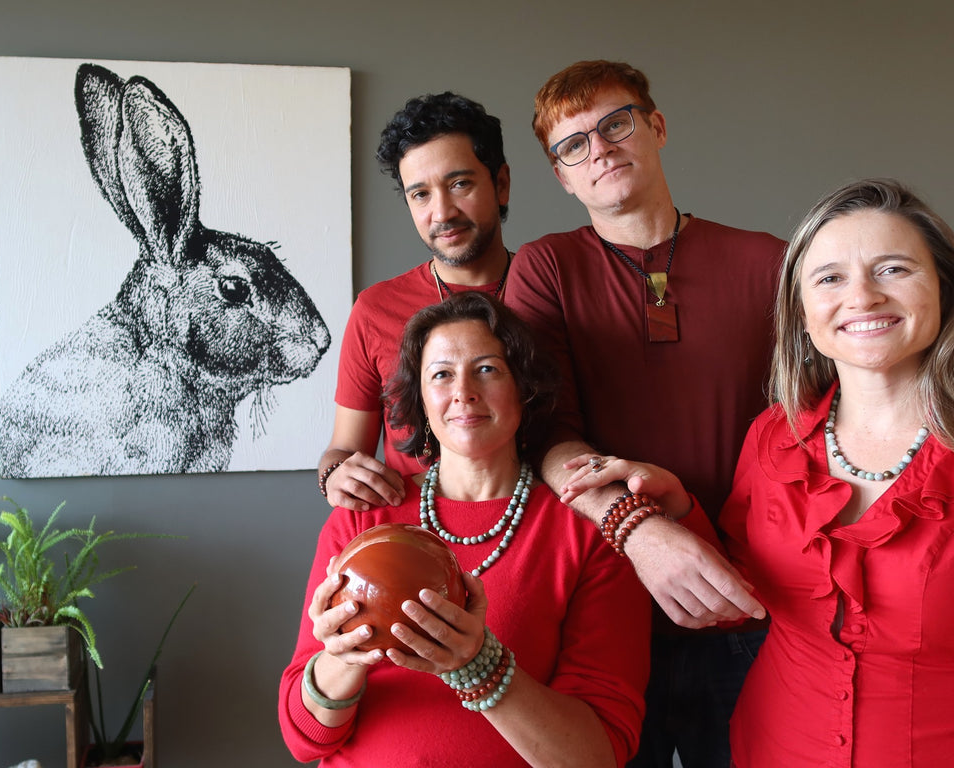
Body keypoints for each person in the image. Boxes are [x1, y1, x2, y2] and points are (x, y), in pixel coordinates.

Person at [598, 178, 954, 766]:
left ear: (943, 286)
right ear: (803, 310)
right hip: (771, 748)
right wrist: (680, 511)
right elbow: (749, 590)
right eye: (830, 277)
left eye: (893, 269)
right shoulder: (773, 435)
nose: (862, 296)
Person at [504, 60, 784, 767]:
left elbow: (814, 426)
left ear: (655, 128)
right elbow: (544, 435)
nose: (598, 148)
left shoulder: (770, 262)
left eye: (615, 123)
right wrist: (638, 532)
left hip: (756, 602)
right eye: (573, 145)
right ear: (563, 176)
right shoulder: (546, 268)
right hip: (608, 608)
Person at [279, 292, 651, 766]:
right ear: (421, 400)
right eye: (441, 374)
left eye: (487, 369)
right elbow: (304, 740)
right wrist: (341, 658)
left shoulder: (584, 532)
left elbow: (598, 755)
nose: (463, 392)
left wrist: (478, 666)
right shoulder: (361, 518)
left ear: (526, 388)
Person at [317, 92, 513, 513]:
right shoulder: (374, 310)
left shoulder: (549, 291)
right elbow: (344, 450)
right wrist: (335, 476)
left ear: (500, 184)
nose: (442, 212)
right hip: (414, 545)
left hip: (545, 541)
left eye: (460, 184)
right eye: (420, 194)